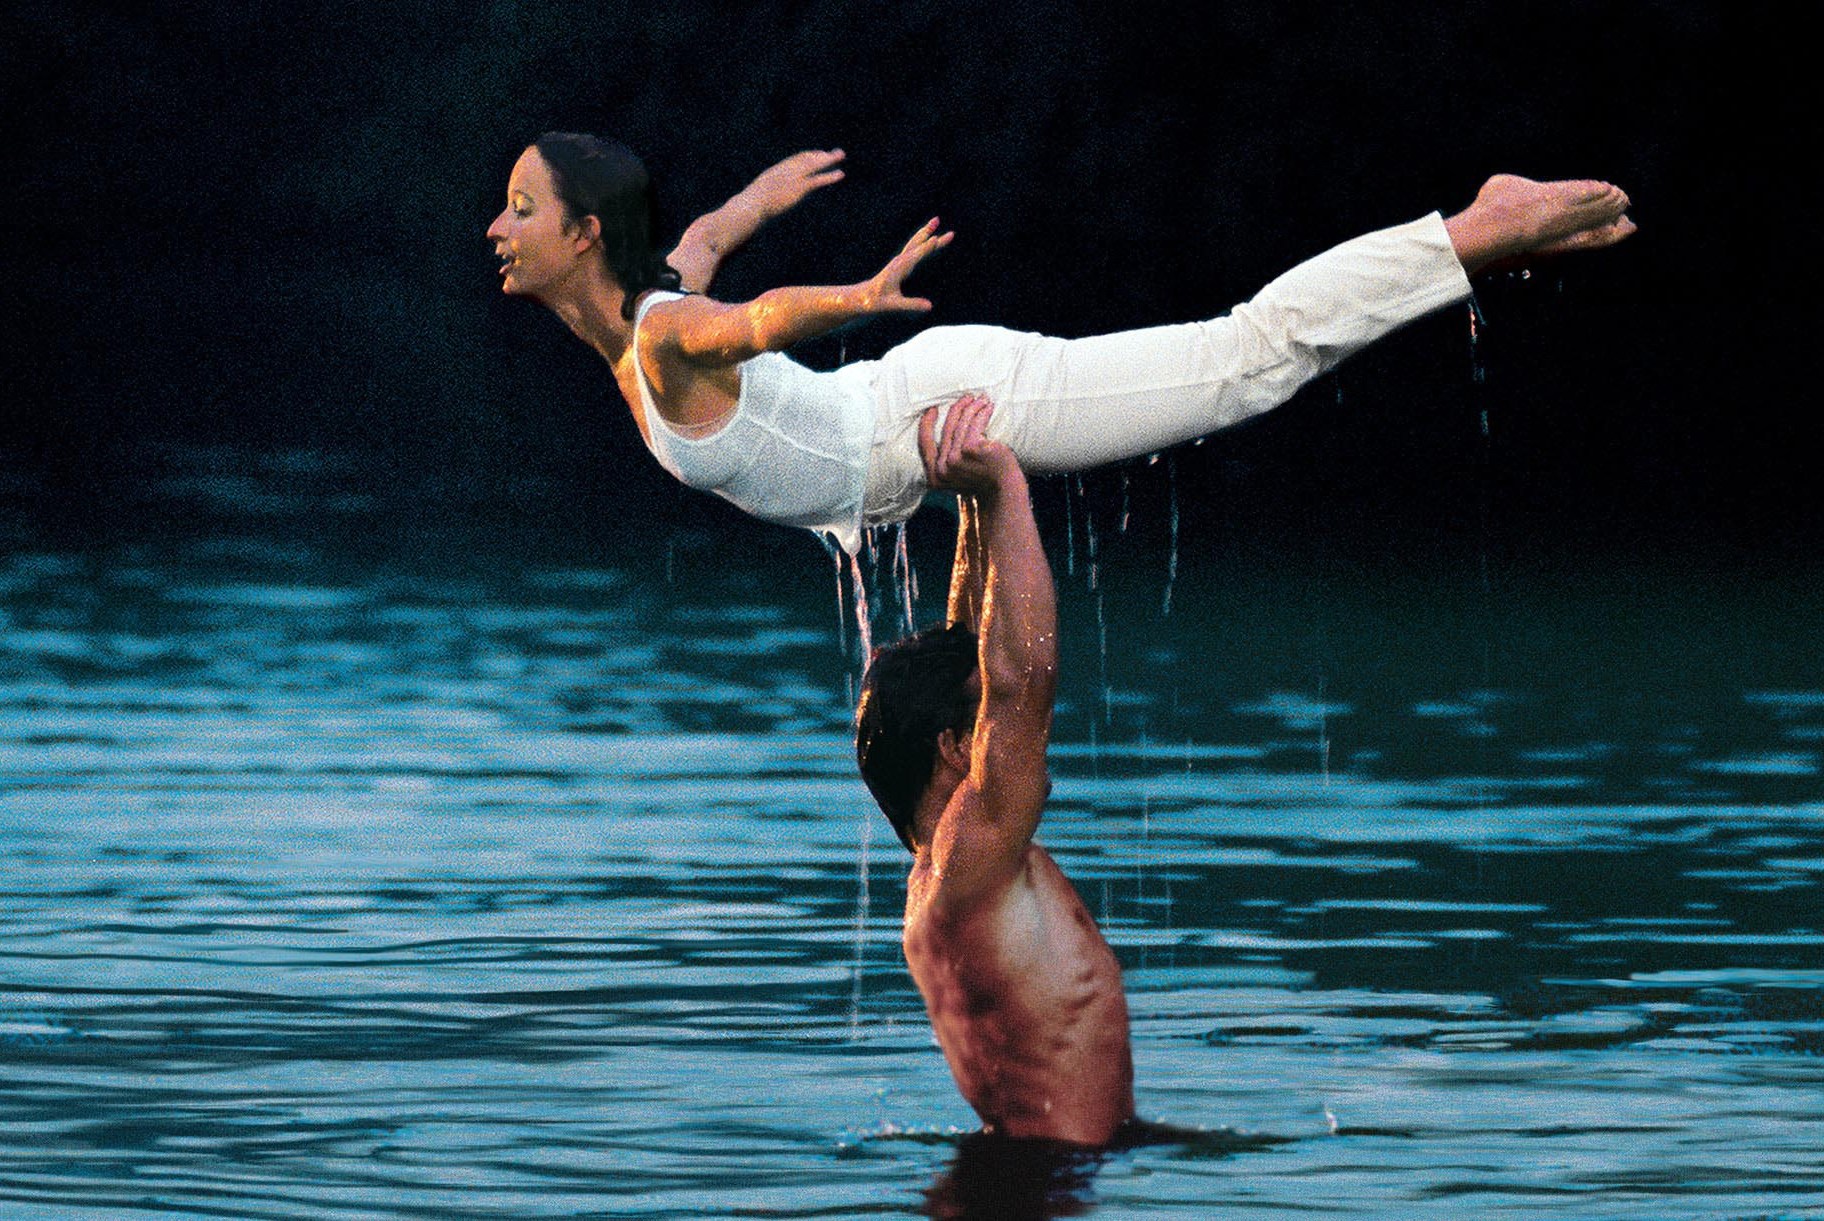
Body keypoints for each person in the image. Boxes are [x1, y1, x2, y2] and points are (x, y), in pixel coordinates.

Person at [487, 133, 1634, 552]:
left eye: (521, 208)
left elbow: (755, 322)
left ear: (586, 235)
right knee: (1249, 363)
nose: (498, 228)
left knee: (1246, 358)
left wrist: (859, 291)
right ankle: (1469, 242)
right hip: (918, 424)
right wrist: (770, 192)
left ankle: (1475, 228)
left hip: (942, 405)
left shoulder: (665, 338)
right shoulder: (652, 302)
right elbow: (709, 237)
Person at [854, 392, 1130, 1145]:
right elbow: (1021, 680)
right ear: (952, 746)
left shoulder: (948, 868)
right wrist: (1007, 482)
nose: (1011, 737)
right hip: (1046, 1185)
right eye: (978, 720)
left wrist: (975, 499)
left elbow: (980, 645)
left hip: (1029, 1167)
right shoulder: (971, 854)